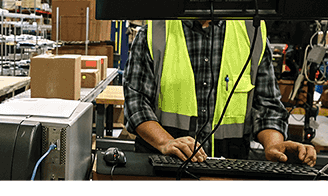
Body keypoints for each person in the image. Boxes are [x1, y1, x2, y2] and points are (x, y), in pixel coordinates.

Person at [123, 19, 317, 166]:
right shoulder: (156, 30)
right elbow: (136, 104)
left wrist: (274, 145)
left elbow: (268, 107)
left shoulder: (252, 32)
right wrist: (166, 142)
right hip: (165, 165)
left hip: (230, 165)